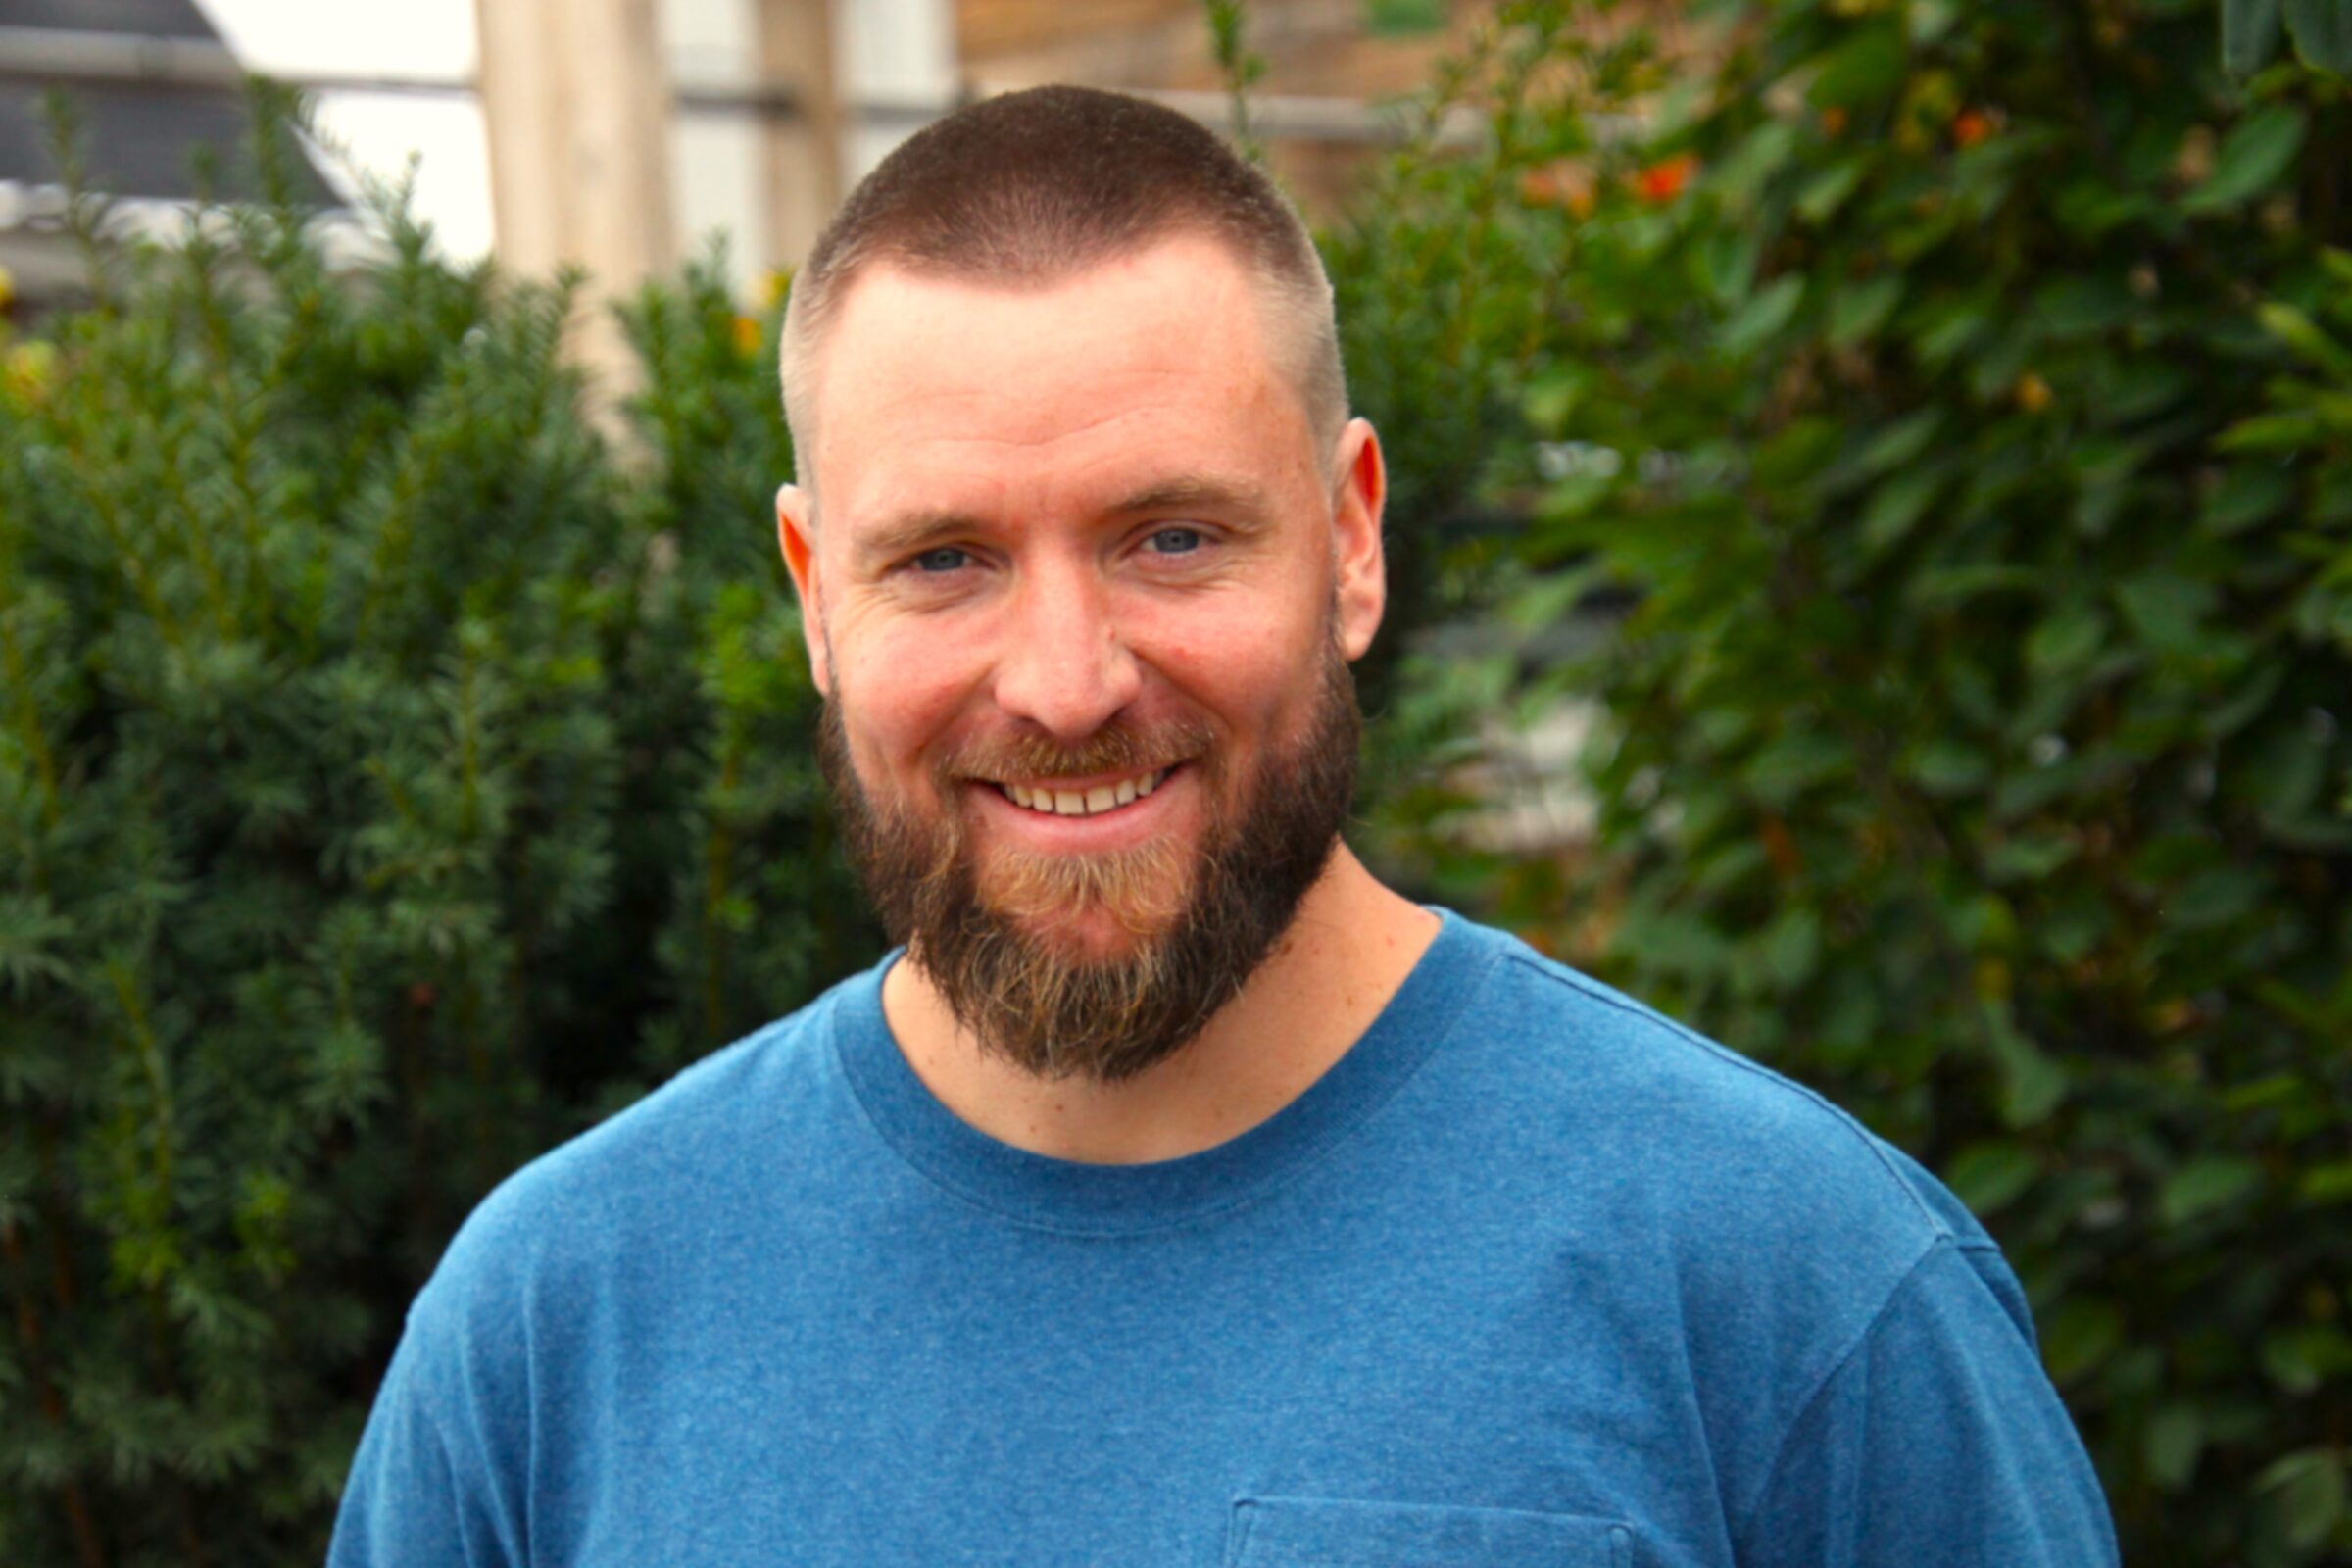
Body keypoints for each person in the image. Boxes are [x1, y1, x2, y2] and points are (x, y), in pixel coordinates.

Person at [329, 85, 2117, 1567]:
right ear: (814, 597)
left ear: (1351, 540)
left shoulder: (1788, 1291)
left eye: (1170, 536)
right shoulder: (553, 1336)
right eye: (943, 559)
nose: (1063, 680)